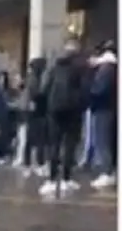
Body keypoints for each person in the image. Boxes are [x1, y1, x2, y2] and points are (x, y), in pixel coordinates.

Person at [39, 37, 90, 197]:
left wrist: (47, 105)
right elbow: (85, 89)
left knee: (54, 144)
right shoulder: (81, 67)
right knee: (70, 144)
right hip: (73, 110)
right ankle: (67, 178)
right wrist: (82, 106)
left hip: (54, 110)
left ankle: (51, 179)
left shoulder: (55, 66)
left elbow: (44, 88)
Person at [87, 41, 117, 190]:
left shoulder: (105, 69)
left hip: (103, 109)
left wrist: (89, 93)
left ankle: (107, 172)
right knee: (110, 141)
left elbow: (98, 90)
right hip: (112, 108)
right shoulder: (114, 67)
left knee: (103, 140)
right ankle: (111, 171)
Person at [21, 57, 50, 177]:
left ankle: (29, 164)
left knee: (31, 139)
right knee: (38, 139)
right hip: (36, 112)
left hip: (32, 112)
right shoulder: (34, 79)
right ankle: (37, 164)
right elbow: (36, 95)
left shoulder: (31, 78)